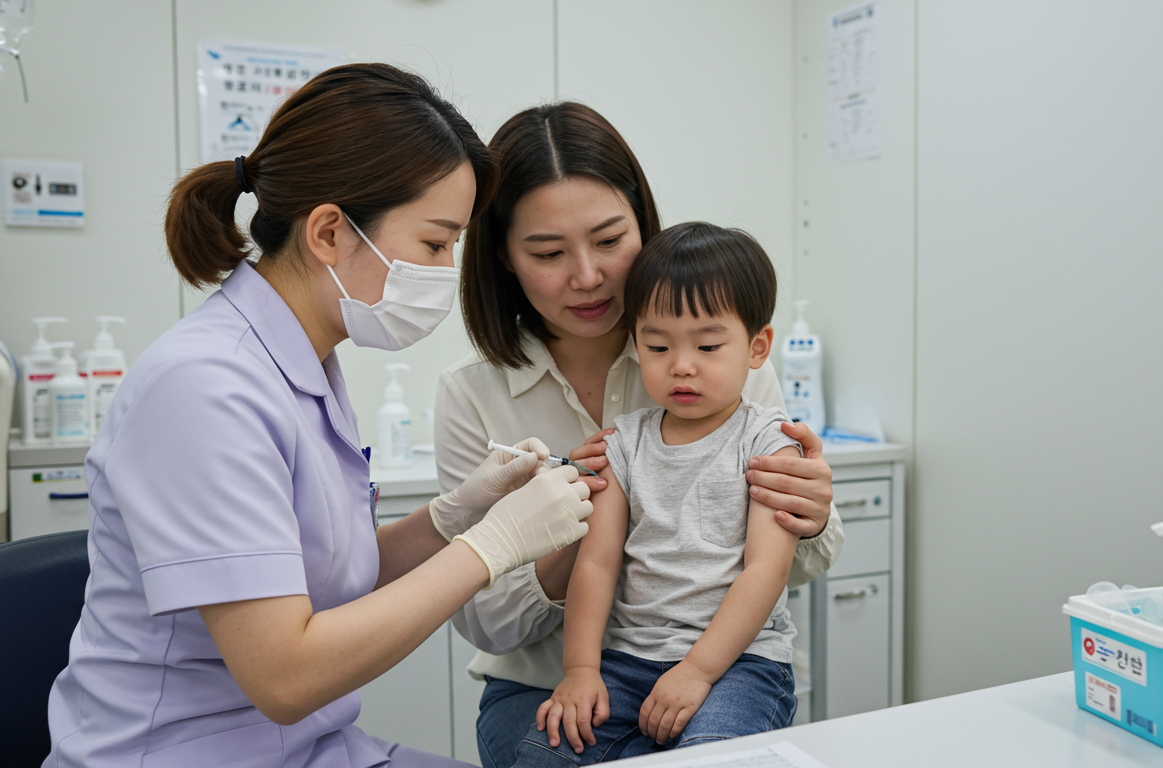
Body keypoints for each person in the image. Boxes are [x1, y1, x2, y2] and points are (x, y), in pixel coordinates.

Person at [43, 63, 592, 768]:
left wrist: (452, 517)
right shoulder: (204, 388)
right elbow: (285, 676)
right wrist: (492, 547)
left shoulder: (304, 364)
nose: (446, 269)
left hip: (309, 749)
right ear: (329, 232)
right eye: (434, 243)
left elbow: (324, 577)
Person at [434, 102, 843, 768]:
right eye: (548, 252)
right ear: (503, 255)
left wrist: (812, 515)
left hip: (727, 663)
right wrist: (565, 525)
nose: (587, 275)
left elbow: (784, 565)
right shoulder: (470, 392)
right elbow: (485, 621)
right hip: (552, 677)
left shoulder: (727, 366)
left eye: (608, 240)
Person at [521, 222, 801, 765]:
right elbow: (596, 563)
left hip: (741, 663)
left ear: (757, 346)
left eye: (708, 345)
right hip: (629, 662)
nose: (682, 365)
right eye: (657, 345)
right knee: (543, 754)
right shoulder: (622, 444)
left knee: (710, 758)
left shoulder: (769, 442)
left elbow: (766, 570)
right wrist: (581, 670)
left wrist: (696, 670)